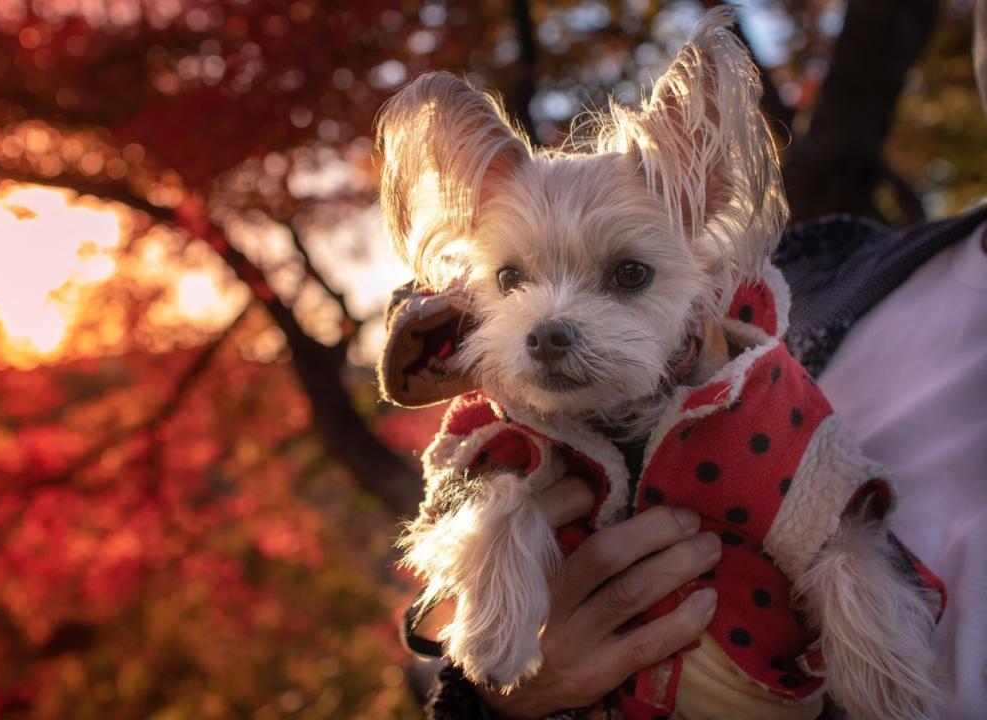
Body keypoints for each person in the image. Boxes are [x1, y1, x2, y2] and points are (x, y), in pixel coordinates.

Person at [411, 4, 987, 717]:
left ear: (703, 203)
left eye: (626, 276)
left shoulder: (768, 396)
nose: (549, 323)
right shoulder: (834, 264)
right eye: (511, 280)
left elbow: (837, 530)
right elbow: (463, 651)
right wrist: (494, 703)